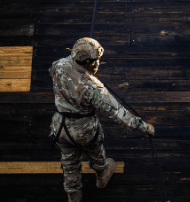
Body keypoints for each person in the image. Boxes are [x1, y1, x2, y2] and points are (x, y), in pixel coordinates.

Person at [50, 38, 155, 202]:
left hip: (60, 127)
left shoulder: (58, 65)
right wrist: (145, 127)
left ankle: (73, 194)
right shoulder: (93, 88)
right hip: (84, 130)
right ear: (86, 61)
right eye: (95, 60)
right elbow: (120, 115)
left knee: (69, 163)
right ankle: (102, 173)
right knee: (95, 152)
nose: (97, 63)